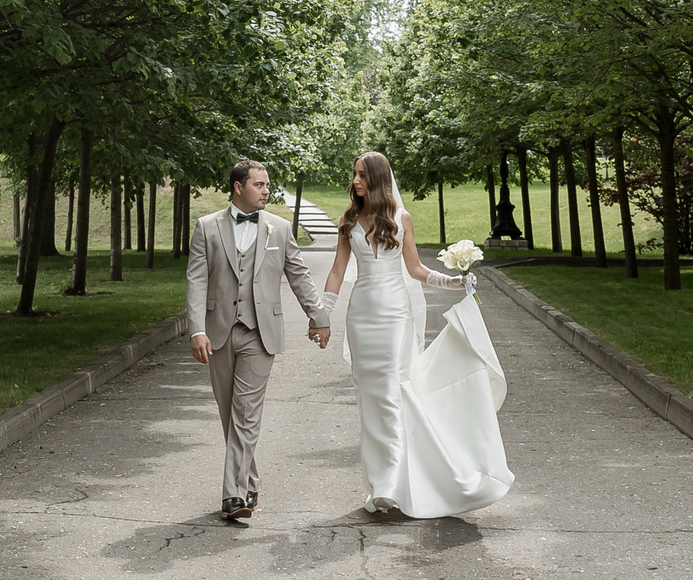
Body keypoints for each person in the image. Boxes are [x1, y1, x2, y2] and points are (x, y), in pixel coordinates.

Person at [320, 150, 514, 517]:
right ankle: (381, 482)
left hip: (395, 314)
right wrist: (322, 313)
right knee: (370, 398)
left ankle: (392, 486)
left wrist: (452, 282)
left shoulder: (400, 218)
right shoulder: (348, 220)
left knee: (393, 392)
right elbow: (336, 271)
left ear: (377, 179)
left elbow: (416, 269)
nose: (356, 181)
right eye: (355, 175)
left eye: (362, 175)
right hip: (361, 314)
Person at [183, 158, 333, 523]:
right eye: (260, 185)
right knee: (227, 413)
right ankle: (249, 481)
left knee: (246, 414)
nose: (267, 191)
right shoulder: (207, 227)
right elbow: (197, 280)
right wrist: (197, 329)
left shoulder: (279, 229)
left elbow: (298, 275)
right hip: (217, 331)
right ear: (239, 187)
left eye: (267, 185)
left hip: (260, 333)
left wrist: (319, 315)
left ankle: (233, 496)